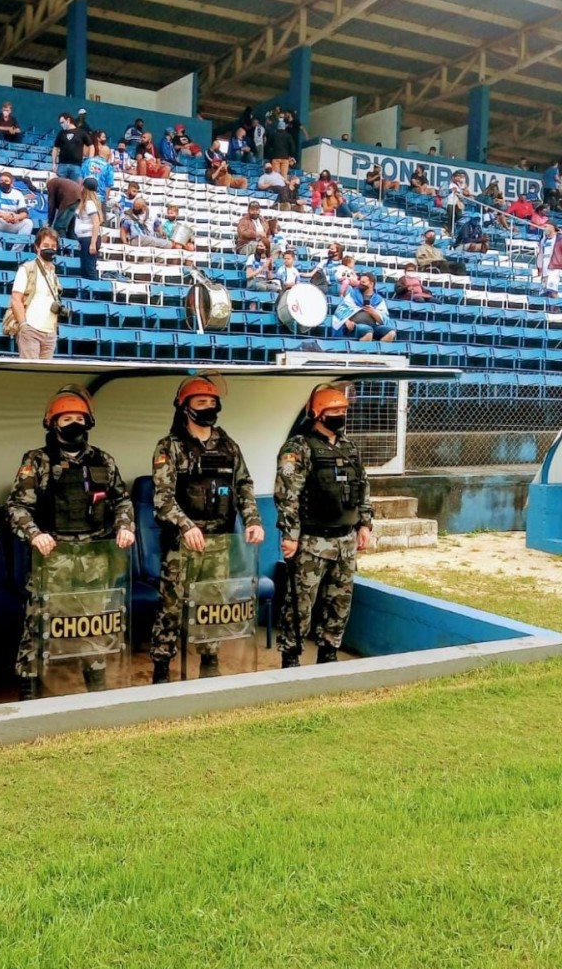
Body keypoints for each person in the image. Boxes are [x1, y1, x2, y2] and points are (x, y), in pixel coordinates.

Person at [6, 385, 135, 699]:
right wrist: (35, 534)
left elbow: (122, 501)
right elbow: (17, 507)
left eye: (78, 417)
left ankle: (97, 687)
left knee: (94, 626)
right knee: (40, 625)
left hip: (95, 557)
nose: (73, 423)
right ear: (53, 424)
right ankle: (29, 689)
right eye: (65, 419)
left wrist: (125, 526)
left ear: (88, 422)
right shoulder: (37, 460)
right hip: (53, 559)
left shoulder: (103, 460)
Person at [150, 376, 264, 683]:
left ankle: (209, 662)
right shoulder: (169, 447)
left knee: (213, 606)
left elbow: (244, 486)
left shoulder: (229, 446)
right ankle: (162, 666)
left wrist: (253, 520)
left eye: (212, 402)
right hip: (182, 545)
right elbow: (162, 499)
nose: (208, 407)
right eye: (200, 403)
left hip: (220, 542)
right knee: (171, 609)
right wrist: (186, 525)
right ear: (184, 407)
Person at [275, 385, 372, 667]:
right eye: (334, 411)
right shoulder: (298, 448)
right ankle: (290, 657)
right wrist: (290, 536)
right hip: (311, 543)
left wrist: (365, 524)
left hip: (345, 542)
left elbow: (363, 488)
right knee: (300, 605)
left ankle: (329, 653)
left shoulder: (349, 447)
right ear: (317, 413)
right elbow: (287, 495)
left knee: (339, 604)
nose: (340, 416)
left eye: (343, 411)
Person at [10, 227, 64, 359]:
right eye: (46, 245)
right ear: (37, 247)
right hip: (31, 329)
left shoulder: (54, 274)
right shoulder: (27, 269)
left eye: (53, 246)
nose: (50, 248)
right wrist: (23, 325)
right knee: (30, 374)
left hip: (50, 332)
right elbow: (16, 299)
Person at [332, 271, 396, 342]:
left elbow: (383, 320)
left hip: (373, 326)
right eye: (360, 282)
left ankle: (377, 351)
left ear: (371, 284)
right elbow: (340, 311)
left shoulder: (379, 300)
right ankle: (359, 351)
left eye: (363, 282)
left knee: (391, 332)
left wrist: (373, 312)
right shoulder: (352, 295)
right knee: (368, 331)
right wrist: (347, 321)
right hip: (356, 326)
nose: (360, 284)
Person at [0, 171, 33, 252]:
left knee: (28, 223)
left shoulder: (18, 194)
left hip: (12, 222)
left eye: (6, 181)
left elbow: (24, 213)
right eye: (1, 181)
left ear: (11, 183)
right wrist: (3, 215)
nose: (3, 183)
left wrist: (17, 217)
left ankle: (16, 252)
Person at [74, 177, 103, 280]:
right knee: (85, 269)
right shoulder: (85, 203)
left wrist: (92, 243)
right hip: (84, 238)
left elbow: (96, 222)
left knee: (89, 269)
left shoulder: (89, 204)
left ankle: (94, 293)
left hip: (89, 238)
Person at [52, 113, 92, 180]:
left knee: (75, 188)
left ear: (68, 120)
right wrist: (54, 163)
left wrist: (90, 160)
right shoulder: (61, 133)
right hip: (62, 165)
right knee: (61, 187)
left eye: (63, 122)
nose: (61, 124)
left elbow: (91, 146)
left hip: (76, 166)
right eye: (60, 123)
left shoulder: (81, 132)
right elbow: (55, 148)